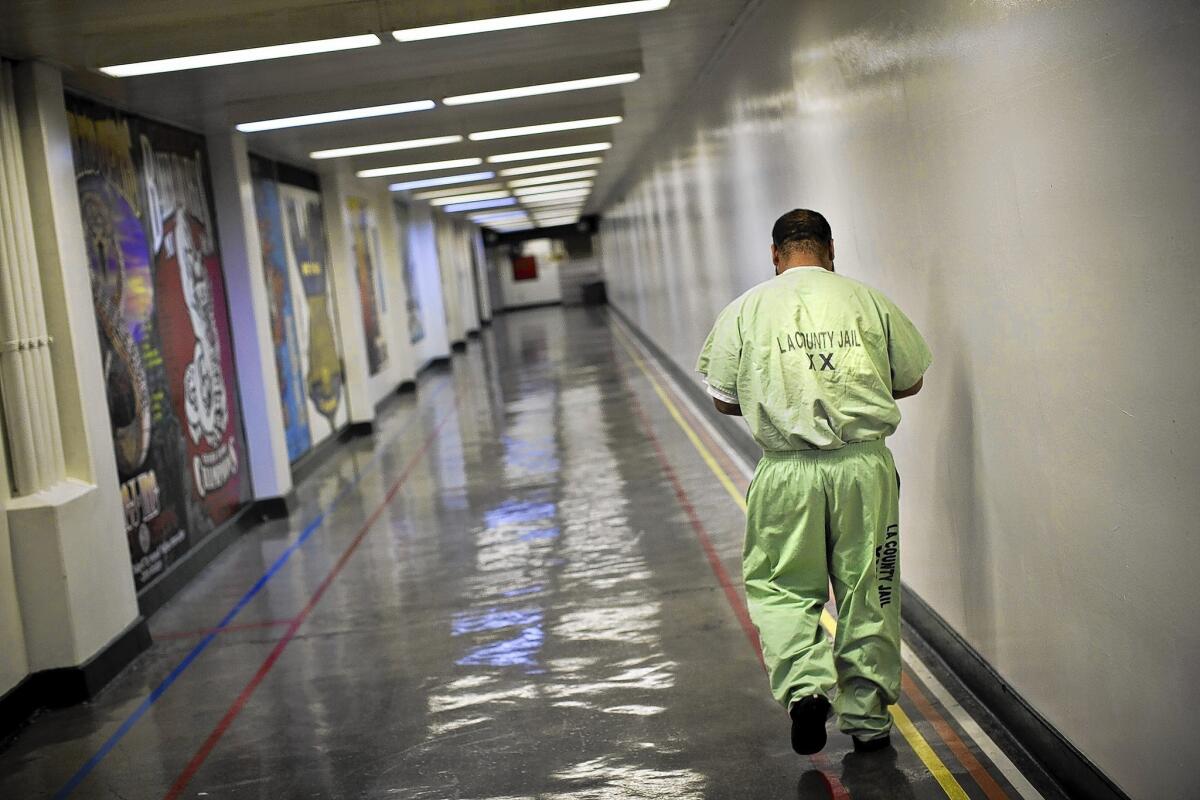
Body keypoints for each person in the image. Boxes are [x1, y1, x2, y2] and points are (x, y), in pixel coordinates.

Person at [696, 209, 931, 755]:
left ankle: (804, 691)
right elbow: (912, 380)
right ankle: (869, 722)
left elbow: (722, 397)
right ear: (830, 249)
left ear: (775, 255)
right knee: (870, 590)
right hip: (864, 468)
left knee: (781, 588)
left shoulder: (745, 310)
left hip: (785, 471)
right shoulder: (868, 301)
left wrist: (781, 399)